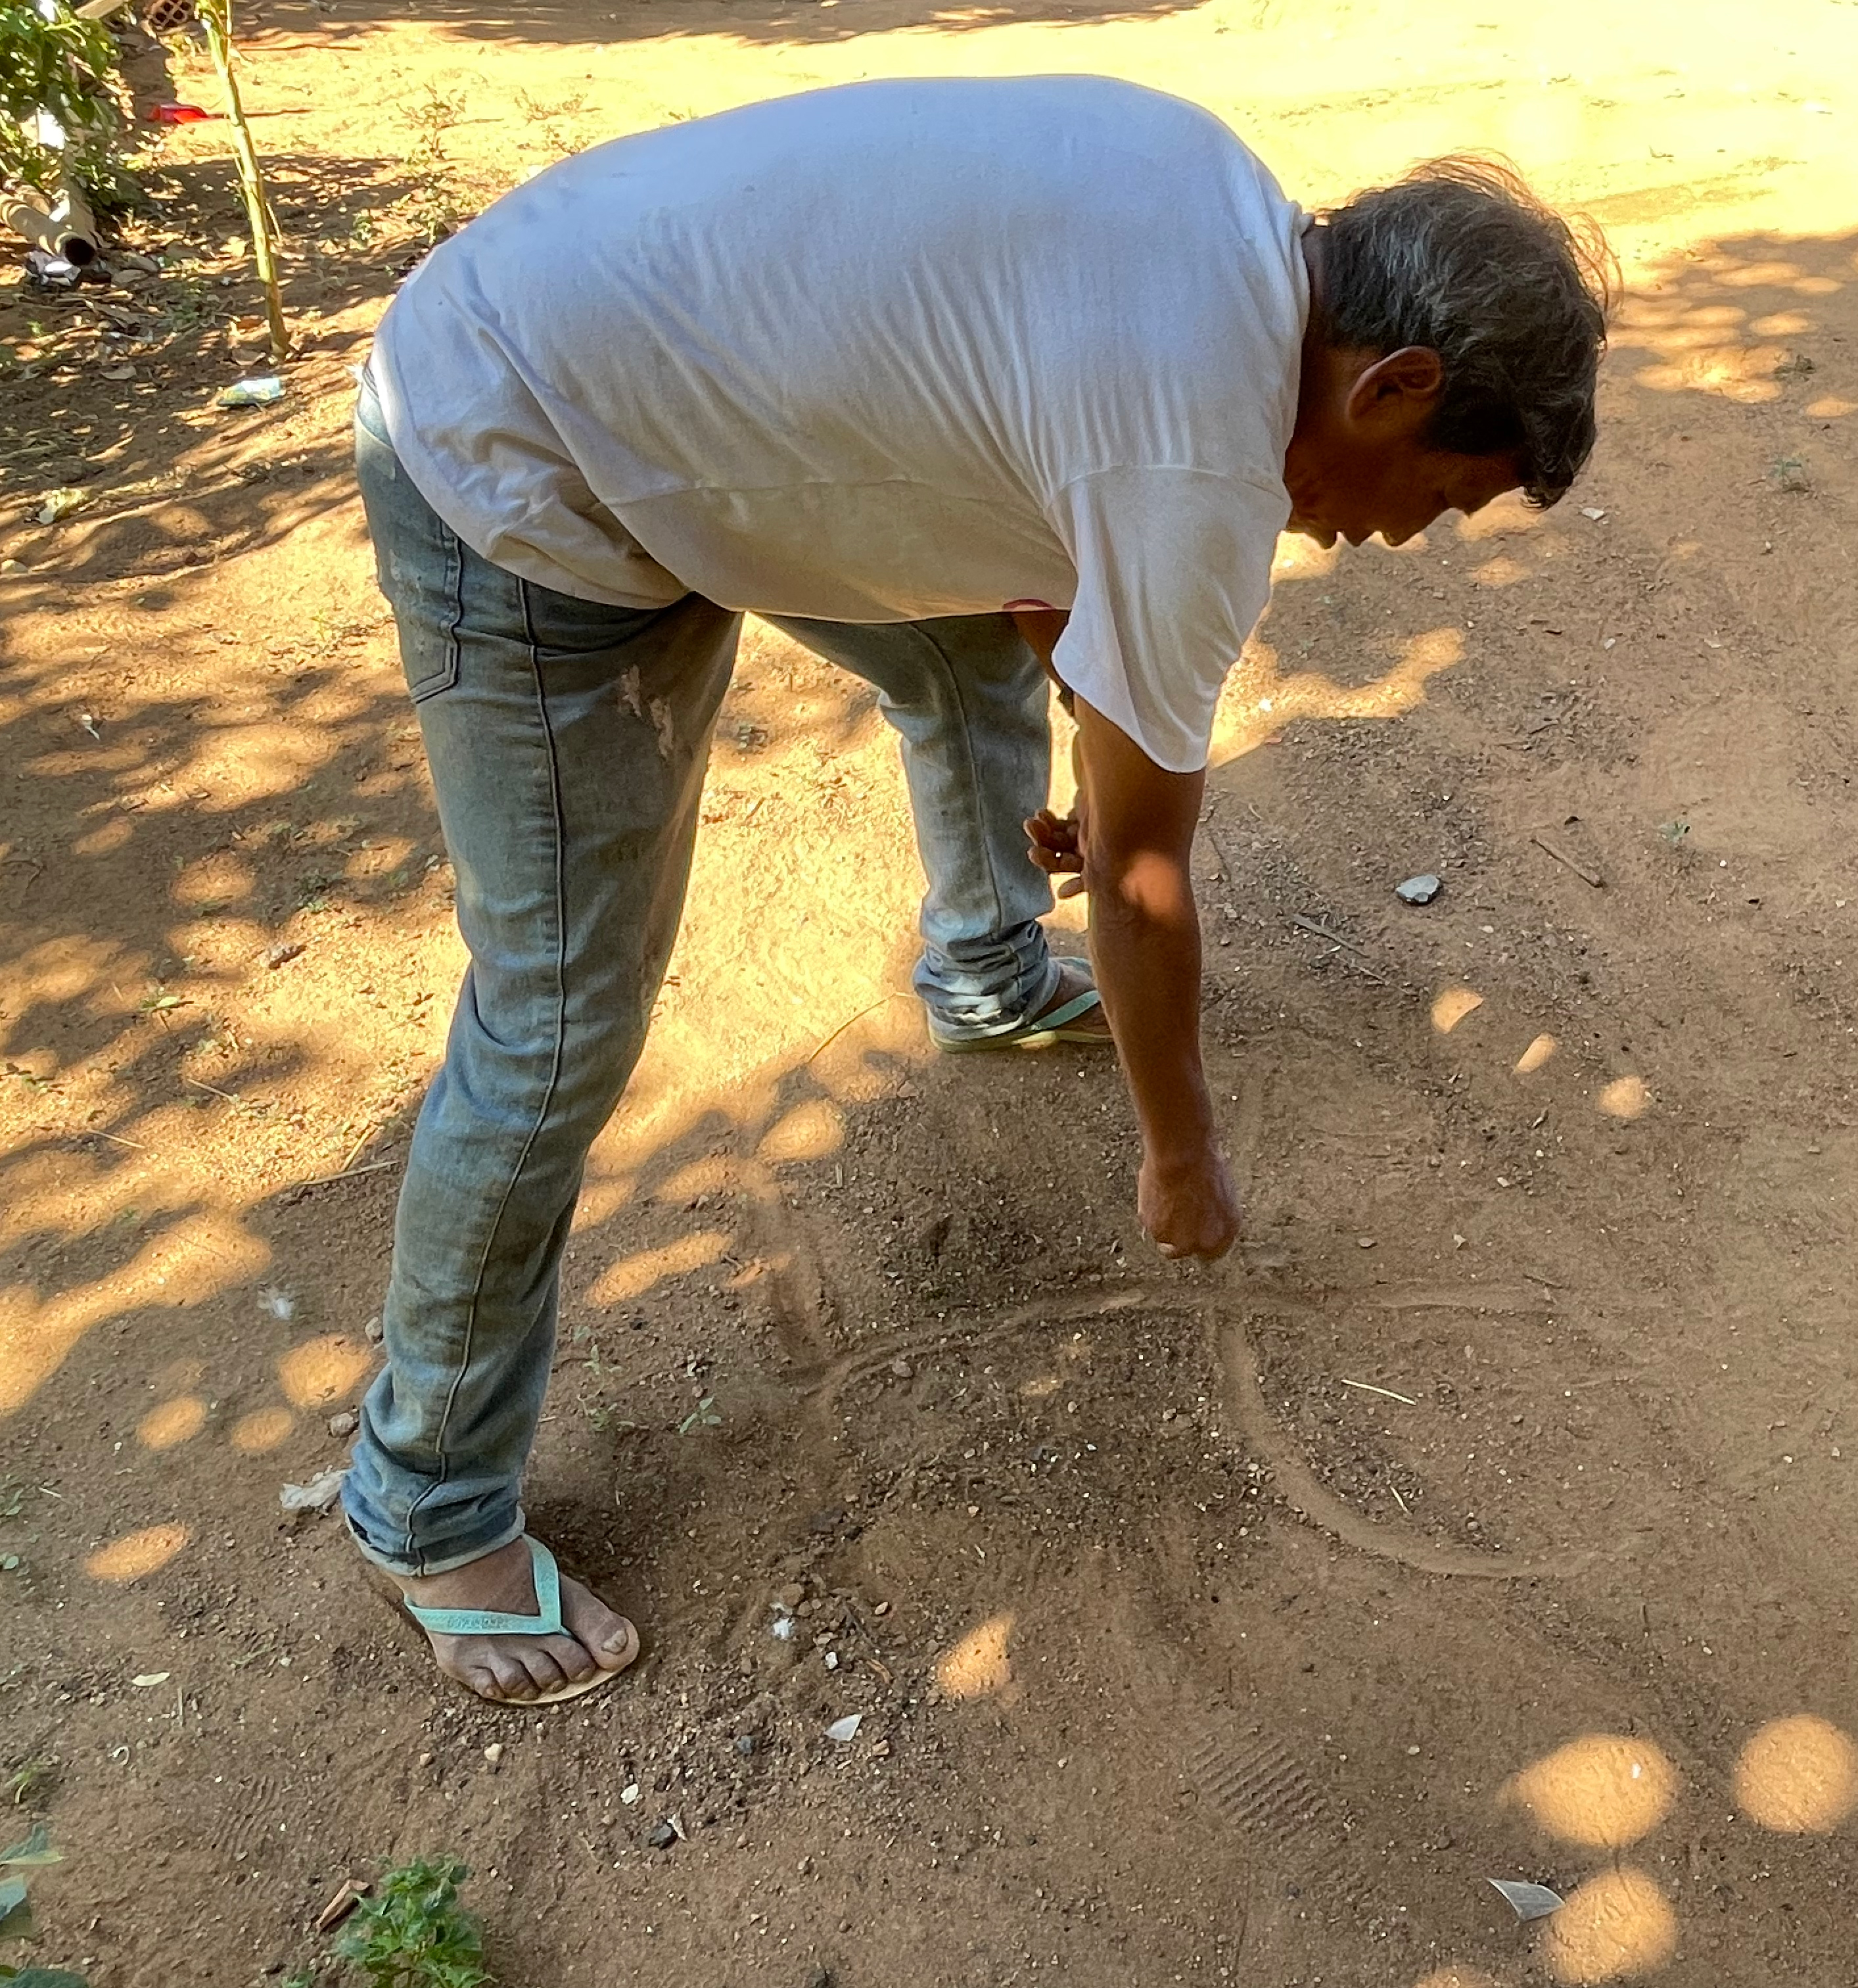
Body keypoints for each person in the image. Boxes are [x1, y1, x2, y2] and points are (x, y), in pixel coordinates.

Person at [342, 74, 1607, 1705]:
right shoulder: (1199, 465)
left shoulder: (1224, 209)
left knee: (965, 664)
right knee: (559, 1013)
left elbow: (1016, 507)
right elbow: (1146, 887)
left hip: (616, 324)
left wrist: (1103, 746)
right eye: (1441, 497)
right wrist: (1181, 1160)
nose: (1405, 541)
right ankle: (425, 1499)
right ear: (1396, 384)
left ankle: (987, 973)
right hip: (520, 452)